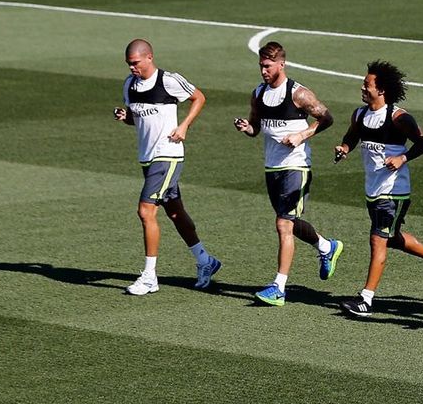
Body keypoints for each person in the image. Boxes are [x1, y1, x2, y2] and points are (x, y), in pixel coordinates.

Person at [334, 61, 423, 316]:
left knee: (378, 240)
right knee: (392, 237)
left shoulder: (398, 117)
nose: (362, 87)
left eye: (367, 84)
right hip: (373, 190)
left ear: (382, 89)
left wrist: (403, 158)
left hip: (394, 191)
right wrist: (344, 148)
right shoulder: (360, 114)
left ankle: (365, 300)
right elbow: (353, 135)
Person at [233, 41, 343, 306]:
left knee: (283, 224)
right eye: (261, 66)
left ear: (281, 64)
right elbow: (256, 128)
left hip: (296, 166)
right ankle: (327, 247)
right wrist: (246, 127)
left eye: (268, 66)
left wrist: (302, 134)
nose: (263, 71)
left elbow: (327, 119)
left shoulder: (299, 94)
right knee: (289, 223)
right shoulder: (258, 93)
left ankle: (279, 287)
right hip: (272, 168)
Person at [113, 39, 221, 295]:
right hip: (147, 158)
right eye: (129, 64)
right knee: (175, 212)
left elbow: (198, 97)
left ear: (149, 57)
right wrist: (126, 117)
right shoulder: (130, 85)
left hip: (168, 155)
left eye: (135, 63)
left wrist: (184, 126)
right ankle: (206, 260)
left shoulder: (168, 81)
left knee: (145, 211)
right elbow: (138, 120)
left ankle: (149, 277)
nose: (132, 68)